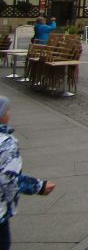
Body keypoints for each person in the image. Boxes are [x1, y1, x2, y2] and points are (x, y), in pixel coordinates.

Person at [0, 96, 56, 248]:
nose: (10, 112)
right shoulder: (6, 143)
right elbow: (8, 178)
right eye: (7, 109)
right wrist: (39, 186)